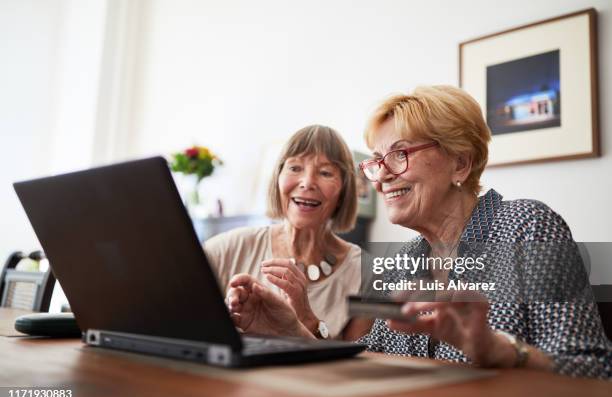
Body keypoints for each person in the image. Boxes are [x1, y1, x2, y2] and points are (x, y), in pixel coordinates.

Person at [227, 86, 612, 379]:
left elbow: (593, 369)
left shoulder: (527, 228)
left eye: (399, 154)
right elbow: (365, 371)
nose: (382, 177)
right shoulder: (402, 263)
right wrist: (293, 330)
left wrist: (502, 353)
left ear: (460, 163)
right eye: (377, 162)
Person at [204, 125, 370, 340]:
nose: (308, 182)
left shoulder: (367, 273)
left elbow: (356, 369)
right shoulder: (226, 248)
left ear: (344, 190)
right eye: (295, 168)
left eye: (325, 172)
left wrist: (307, 320)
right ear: (278, 178)